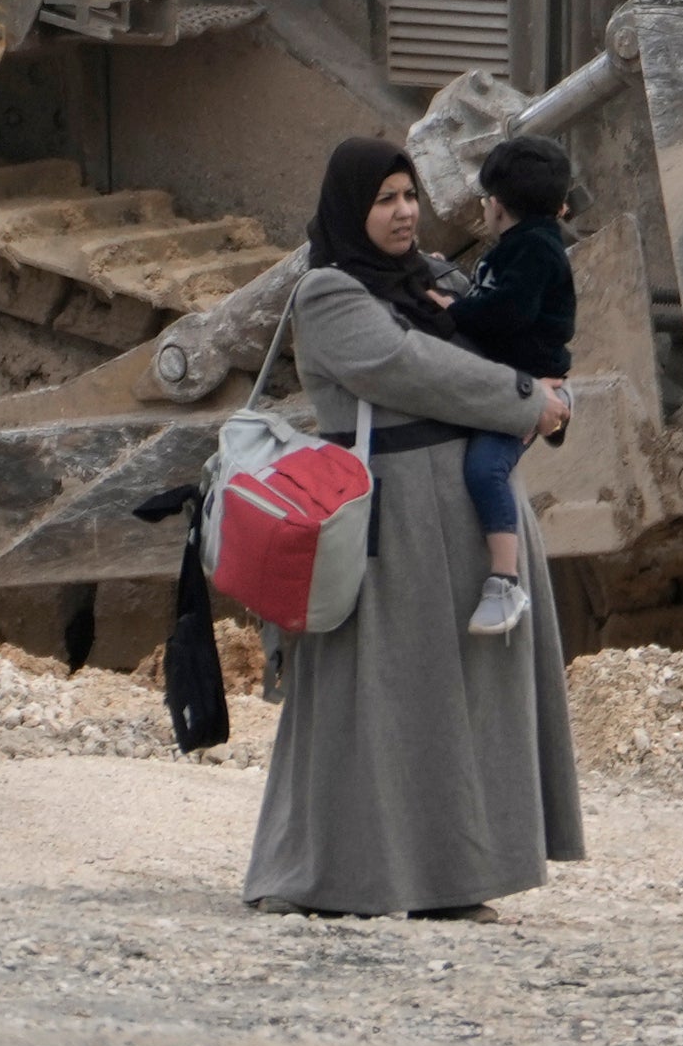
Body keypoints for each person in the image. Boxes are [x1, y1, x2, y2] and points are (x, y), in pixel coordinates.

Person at [242, 137, 585, 919]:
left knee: (465, 704)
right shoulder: (328, 295)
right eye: (383, 199)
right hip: (388, 526)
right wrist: (528, 397)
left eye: (409, 196)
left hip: (465, 519)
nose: (402, 213)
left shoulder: (429, 279)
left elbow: (510, 336)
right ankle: (330, 877)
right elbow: (409, 370)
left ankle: (454, 881)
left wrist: (538, 378)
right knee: (378, 701)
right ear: (349, 210)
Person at [441, 134, 580, 640]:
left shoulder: (535, 251)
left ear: (496, 206)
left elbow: (507, 312)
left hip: (526, 388)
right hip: (508, 381)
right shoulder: (523, 247)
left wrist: (453, 310)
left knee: (485, 469)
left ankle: (504, 580)